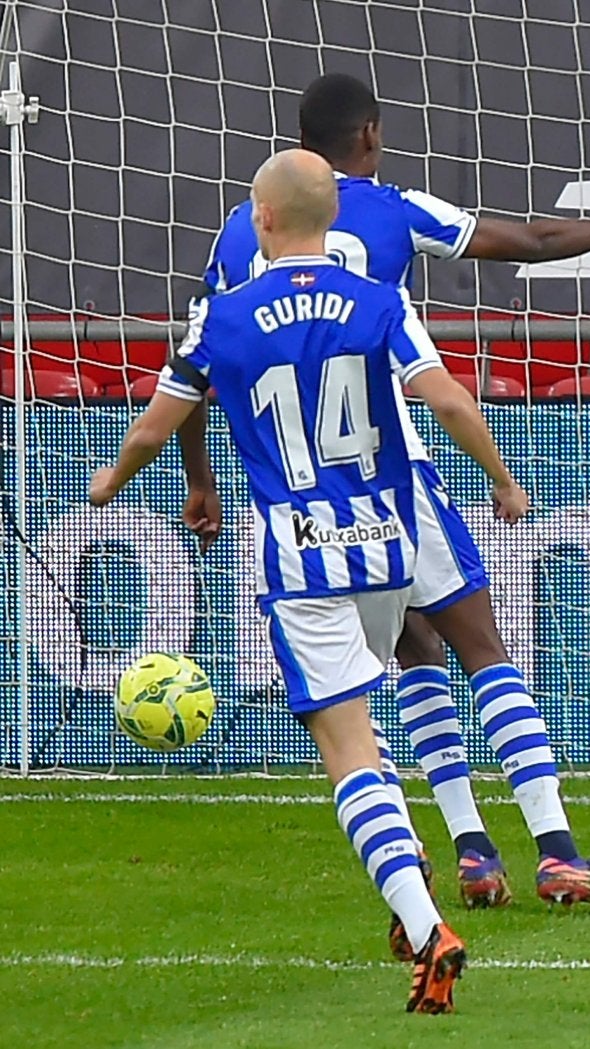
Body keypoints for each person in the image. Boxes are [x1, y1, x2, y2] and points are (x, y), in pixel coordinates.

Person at [180, 73, 590, 919]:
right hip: (395, 475)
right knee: (478, 642)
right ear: (371, 136)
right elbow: (525, 240)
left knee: (411, 654)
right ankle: (556, 847)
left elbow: (192, 370)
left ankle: (469, 847)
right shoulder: (390, 210)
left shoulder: (244, 230)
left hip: (299, 498)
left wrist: (202, 480)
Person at [90, 150, 495, 1011]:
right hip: (386, 546)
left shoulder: (220, 316)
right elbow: (450, 401)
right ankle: (410, 881)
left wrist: (104, 488)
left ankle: (426, 926)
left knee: (346, 749)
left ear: (261, 220)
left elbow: (159, 427)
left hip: (301, 559)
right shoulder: (383, 301)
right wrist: (502, 479)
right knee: (371, 717)